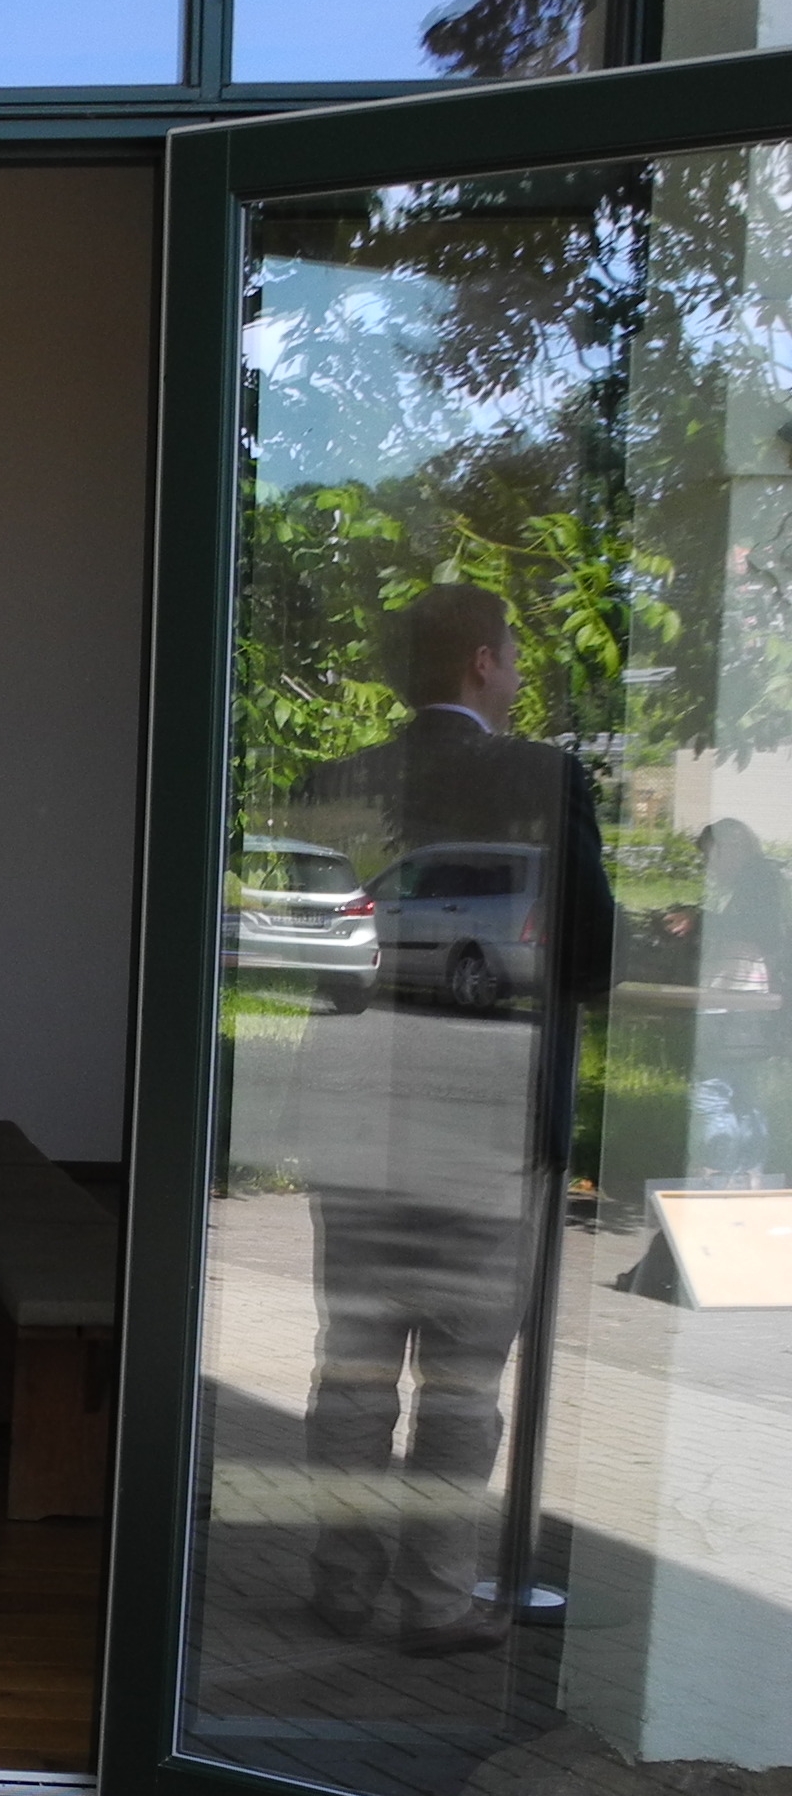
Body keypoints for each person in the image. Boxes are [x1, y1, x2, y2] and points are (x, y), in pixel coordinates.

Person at [289, 582, 609, 1655]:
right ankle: (434, 1598)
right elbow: (591, 954)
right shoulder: (541, 775)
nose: (519, 676)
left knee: (354, 1360)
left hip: (356, 1103)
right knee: (465, 1375)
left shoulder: (339, 781)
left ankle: (341, 1582)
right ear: (481, 660)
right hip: (487, 1110)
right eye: (515, 656)